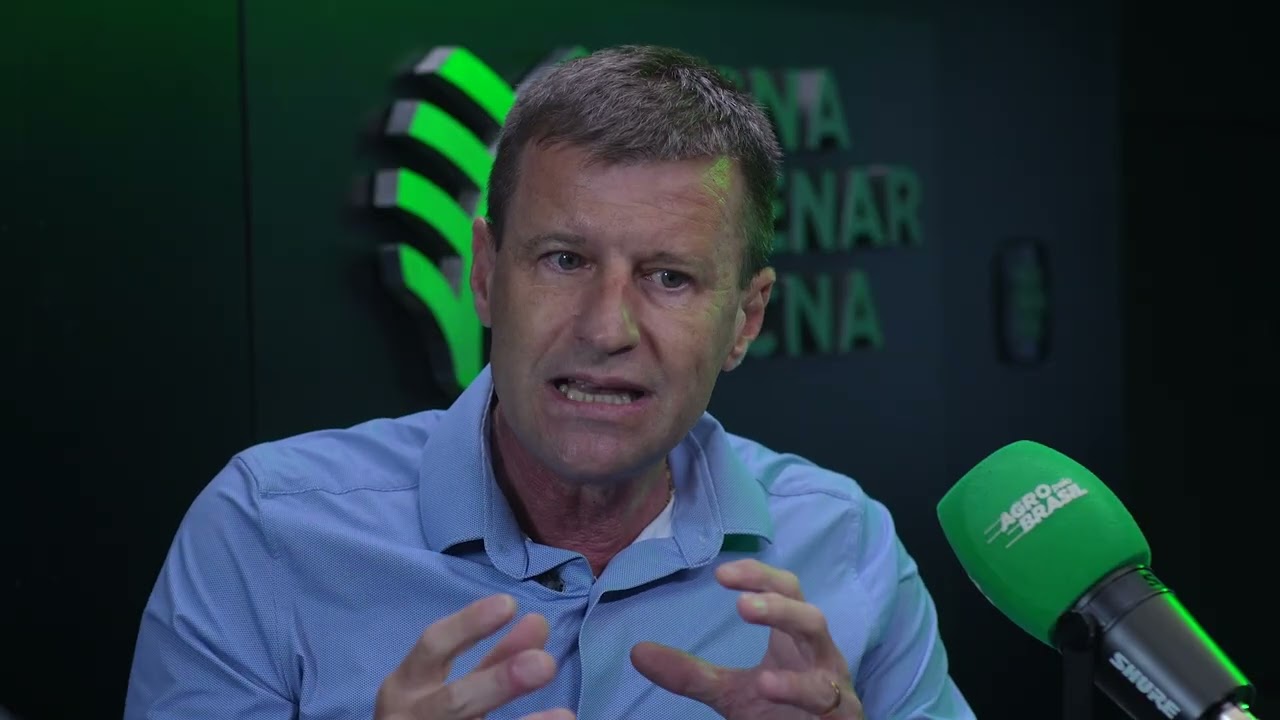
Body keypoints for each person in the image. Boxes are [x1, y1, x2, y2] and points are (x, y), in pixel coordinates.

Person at [124, 44, 975, 720]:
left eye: (669, 277)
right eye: (564, 260)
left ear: (746, 320)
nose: (606, 328)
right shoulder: (265, 530)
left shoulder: (844, 546)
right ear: (485, 273)